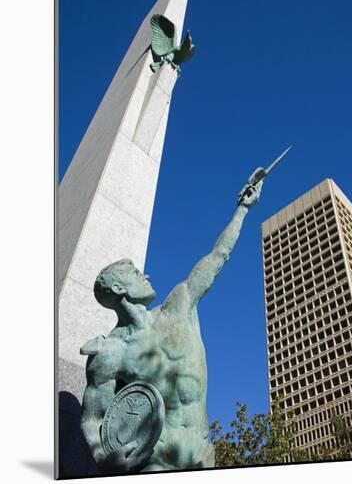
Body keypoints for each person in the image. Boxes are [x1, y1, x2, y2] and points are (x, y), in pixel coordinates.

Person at [80, 178, 263, 473]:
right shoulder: (111, 353)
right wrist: (104, 457)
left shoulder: (180, 303)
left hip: (202, 455)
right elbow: (92, 420)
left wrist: (242, 209)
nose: (146, 275)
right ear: (117, 288)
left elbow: (217, 257)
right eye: (135, 273)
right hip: (156, 461)